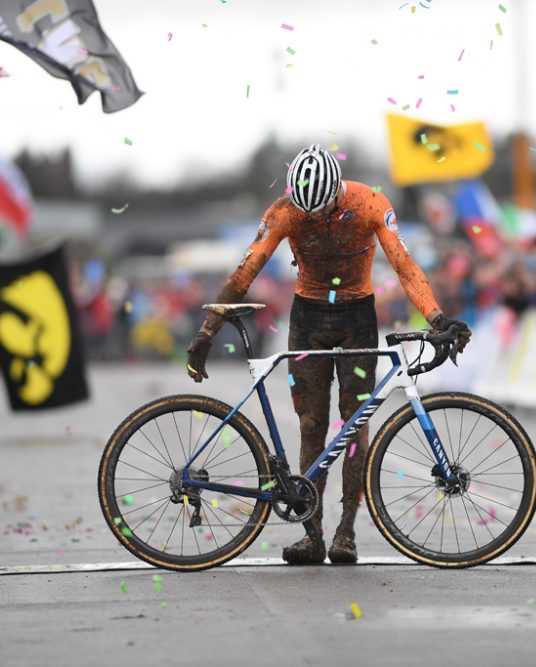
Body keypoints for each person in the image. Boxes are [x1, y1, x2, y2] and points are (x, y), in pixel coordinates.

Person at [185, 145, 471, 565]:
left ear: (336, 191)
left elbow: (404, 266)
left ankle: (346, 533)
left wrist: (436, 317)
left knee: (355, 423)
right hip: (309, 317)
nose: (315, 220)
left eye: (322, 211)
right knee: (311, 423)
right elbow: (245, 270)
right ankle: (312, 534)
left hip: (357, 315)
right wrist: (207, 330)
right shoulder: (285, 211)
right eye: (308, 214)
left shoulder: (369, 202)